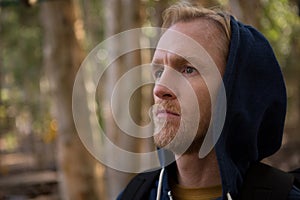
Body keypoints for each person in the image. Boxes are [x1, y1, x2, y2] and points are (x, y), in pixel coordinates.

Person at [117, 2, 300, 200]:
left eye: (188, 69)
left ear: (235, 90)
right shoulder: (136, 195)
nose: (160, 89)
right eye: (159, 72)